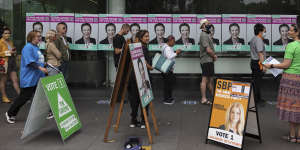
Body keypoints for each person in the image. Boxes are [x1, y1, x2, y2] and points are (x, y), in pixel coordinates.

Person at [264, 24, 300, 143]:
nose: (289, 32)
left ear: (297, 32)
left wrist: (272, 65)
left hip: (290, 80)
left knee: (291, 107)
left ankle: (292, 136)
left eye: (290, 30)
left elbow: (286, 65)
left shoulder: (291, 45)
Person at [5, 31, 47, 124]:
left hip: (37, 77)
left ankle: (47, 112)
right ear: (31, 37)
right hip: (29, 78)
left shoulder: (36, 47)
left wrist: (44, 64)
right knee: (24, 97)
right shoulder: (28, 47)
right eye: (37, 36)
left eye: (40, 36)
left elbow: (37, 60)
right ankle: (10, 113)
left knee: (41, 95)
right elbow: (30, 62)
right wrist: (40, 67)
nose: (39, 38)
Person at [127, 30, 153, 128]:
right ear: (141, 38)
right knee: (145, 99)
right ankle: (143, 121)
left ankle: (133, 120)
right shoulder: (144, 48)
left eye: (148, 36)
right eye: (146, 36)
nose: (147, 38)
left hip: (133, 77)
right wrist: (151, 67)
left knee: (134, 100)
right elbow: (145, 63)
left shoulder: (133, 48)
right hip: (143, 77)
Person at [199, 19, 217, 105]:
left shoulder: (206, 35)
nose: (209, 24)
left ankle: (214, 97)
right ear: (203, 26)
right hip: (206, 60)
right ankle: (203, 99)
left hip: (209, 60)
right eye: (207, 23)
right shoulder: (204, 35)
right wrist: (214, 56)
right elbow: (208, 49)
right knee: (205, 80)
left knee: (210, 80)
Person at [0, 27, 20, 103]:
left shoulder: (10, 42)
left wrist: (14, 52)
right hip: (4, 63)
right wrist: (8, 52)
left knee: (15, 80)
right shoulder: (0, 42)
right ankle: (4, 97)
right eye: (5, 33)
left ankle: (20, 96)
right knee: (3, 80)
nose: (7, 34)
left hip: (11, 62)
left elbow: (12, 51)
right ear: (2, 34)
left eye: (8, 33)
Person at [250, 23, 267, 105]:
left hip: (253, 62)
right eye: (264, 30)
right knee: (257, 82)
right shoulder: (259, 39)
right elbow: (260, 54)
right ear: (260, 31)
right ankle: (256, 100)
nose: (265, 32)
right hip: (258, 63)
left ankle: (257, 98)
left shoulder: (254, 38)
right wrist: (263, 65)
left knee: (255, 81)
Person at [161, 35, 181, 105]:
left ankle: (169, 98)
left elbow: (168, 55)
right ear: (170, 40)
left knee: (168, 84)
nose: (174, 43)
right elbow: (169, 56)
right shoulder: (167, 48)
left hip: (166, 69)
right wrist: (177, 53)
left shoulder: (165, 47)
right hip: (167, 70)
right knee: (168, 85)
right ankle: (167, 99)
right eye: (173, 41)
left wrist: (174, 52)